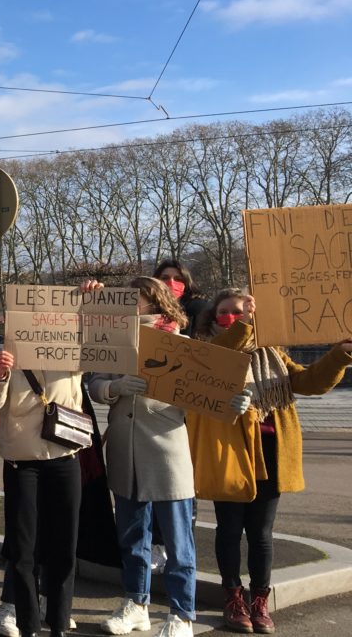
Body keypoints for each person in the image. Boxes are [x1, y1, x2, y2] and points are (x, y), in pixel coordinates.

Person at [189, 289, 352, 634]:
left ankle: (259, 601)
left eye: (239, 312)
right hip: (229, 453)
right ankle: (233, 599)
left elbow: (309, 382)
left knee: (261, 534)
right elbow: (218, 360)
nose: (232, 318)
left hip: (271, 450)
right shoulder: (205, 349)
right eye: (225, 313)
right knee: (230, 530)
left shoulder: (273, 353)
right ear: (212, 318)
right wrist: (246, 324)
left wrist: (339, 355)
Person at [0, 281, 99, 637]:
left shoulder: (73, 349)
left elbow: (109, 343)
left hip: (65, 456)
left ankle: (59, 622)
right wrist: (0, 375)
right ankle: (29, 623)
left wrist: (91, 303)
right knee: (23, 548)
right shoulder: (3, 353)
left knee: (65, 545)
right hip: (23, 462)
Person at [90, 277, 196, 637]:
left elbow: (202, 394)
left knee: (178, 541)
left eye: (135, 299)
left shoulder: (180, 342)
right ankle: (137, 603)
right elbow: (94, 383)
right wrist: (113, 387)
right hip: (124, 450)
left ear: (155, 302)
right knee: (132, 538)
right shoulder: (114, 339)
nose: (129, 305)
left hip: (167, 452)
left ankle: (181, 614)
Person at [153, 260, 207, 338]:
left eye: (178, 279)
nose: (171, 282)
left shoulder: (199, 308)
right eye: (165, 278)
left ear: (186, 282)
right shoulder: (148, 308)